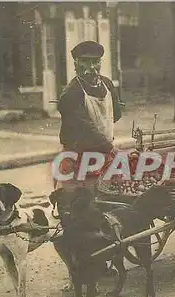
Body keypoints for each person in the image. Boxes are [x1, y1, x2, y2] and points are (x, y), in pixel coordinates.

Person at [55, 41, 124, 191]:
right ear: (75, 64)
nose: (91, 67)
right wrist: (110, 148)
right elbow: (84, 127)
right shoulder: (71, 93)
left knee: (108, 198)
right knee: (78, 202)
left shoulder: (107, 85)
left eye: (95, 62)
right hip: (78, 158)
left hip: (102, 153)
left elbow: (116, 114)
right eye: (85, 62)